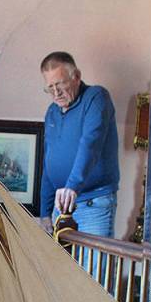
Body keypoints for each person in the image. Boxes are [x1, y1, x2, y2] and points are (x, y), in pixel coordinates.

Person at [38, 51, 120, 238]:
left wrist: (72, 187)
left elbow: (90, 145)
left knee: (93, 268)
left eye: (60, 85)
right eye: (50, 87)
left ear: (76, 77)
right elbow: (48, 162)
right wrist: (45, 212)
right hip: (60, 208)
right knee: (61, 268)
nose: (56, 93)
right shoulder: (52, 111)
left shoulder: (96, 97)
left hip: (93, 205)